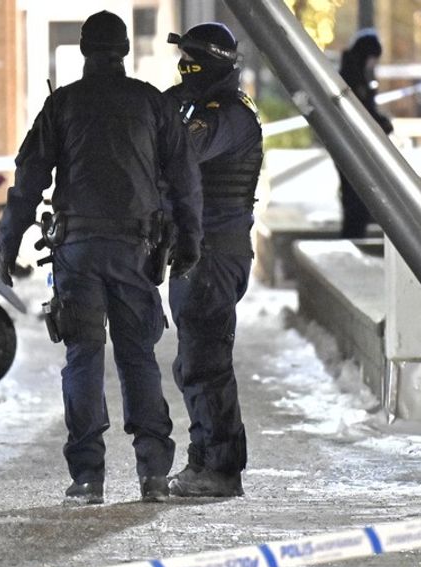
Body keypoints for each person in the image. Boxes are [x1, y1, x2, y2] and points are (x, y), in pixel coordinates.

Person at [0, 10, 203, 505]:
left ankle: (88, 477)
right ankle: (154, 474)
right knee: (139, 358)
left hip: (78, 252)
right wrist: (189, 240)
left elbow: (28, 180)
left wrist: (8, 243)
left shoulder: (62, 105)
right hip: (136, 251)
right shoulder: (151, 104)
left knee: (83, 358)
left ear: (85, 50)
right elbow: (185, 179)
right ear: (125, 50)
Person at [163, 22, 263, 498]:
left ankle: (218, 468)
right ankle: (208, 458)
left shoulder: (225, 115)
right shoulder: (200, 106)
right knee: (194, 361)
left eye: (189, 59)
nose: (182, 68)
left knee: (205, 361)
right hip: (203, 251)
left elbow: (181, 152)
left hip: (215, 253)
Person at [336, 28, 393, 239]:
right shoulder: (353, 77)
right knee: (356, 198)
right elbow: (362, 111)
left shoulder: (353, 73)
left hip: (351, 144)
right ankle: (352, 236)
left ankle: (353, 234)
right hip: (352, 145)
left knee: (356, 197)